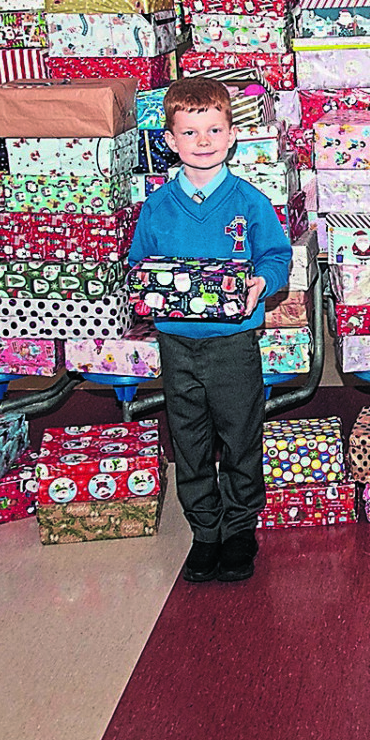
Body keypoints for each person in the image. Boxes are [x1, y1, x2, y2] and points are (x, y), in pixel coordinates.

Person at [128, 77, 291, 584]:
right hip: (177, 344)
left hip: (233, 343)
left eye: (214, 129)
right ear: (171, 140)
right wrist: (145, 289)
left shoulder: (249, 202)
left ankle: (240, 527)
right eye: (190, 132)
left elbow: (277, 256)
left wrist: (262, 281)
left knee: (241, 434)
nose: (203, 141)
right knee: (189, 438)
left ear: (232, 135)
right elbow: (139, 265)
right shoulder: (156, 207)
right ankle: (205, 530)